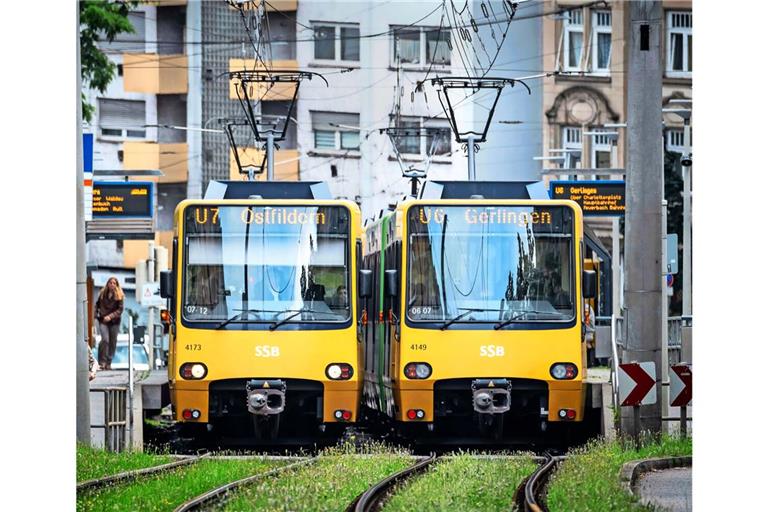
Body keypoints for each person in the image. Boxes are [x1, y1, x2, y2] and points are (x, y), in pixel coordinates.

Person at [96, 277, 124, 370]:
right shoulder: (102, 294)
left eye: (114, 283)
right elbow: (97, 305)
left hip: (114, 322)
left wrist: (110, 316)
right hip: (103, 320)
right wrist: (96, 315)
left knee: (112, 342)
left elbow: (120, 310)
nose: (112, 284)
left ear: (116, 285)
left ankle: (109, 362)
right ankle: (102, 362)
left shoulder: (120, 295)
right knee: (105, 340)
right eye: (110, 282)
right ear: (107, 284)